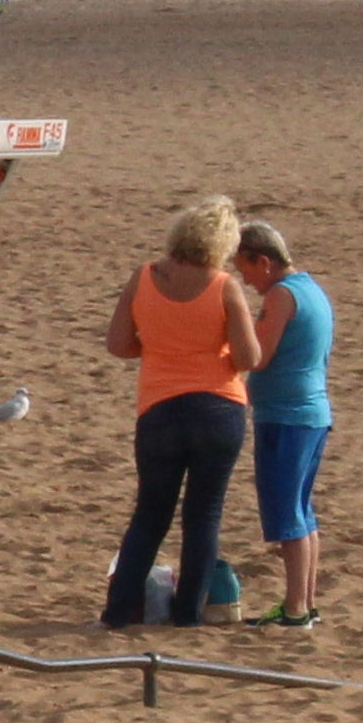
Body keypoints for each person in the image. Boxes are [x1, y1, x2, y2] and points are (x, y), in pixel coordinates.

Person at [103, 196, 262, 627]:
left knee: (150, 513)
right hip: (217, 406)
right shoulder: (223, 285)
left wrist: (156, 349)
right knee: (203, 514)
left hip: (160, 406)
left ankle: (119, 610)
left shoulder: (144, 278)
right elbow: (249, 356)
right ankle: (188, 613)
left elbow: (118, 345)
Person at [235, 220, 333, 625]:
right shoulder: (311, 289)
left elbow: (258, 356)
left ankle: (295, 609)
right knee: (302, 512)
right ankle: (304, 604)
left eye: (246, 270)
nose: (246, 280)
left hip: (287, 416)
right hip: (309, 414)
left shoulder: (281, 296)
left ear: (264, 261)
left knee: (288, 516)